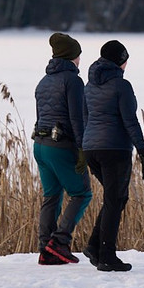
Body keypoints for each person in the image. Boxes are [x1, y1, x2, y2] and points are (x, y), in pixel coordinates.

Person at [81, 39, 144, 272]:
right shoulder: (122, 86)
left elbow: (85, 119)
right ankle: (107, 256)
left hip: (92, 149)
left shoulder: (88, 86)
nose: (126, 66)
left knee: (117, 198)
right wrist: (143, 151)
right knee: (115, 199)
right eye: (125, 61)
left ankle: (94, 246)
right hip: (115, 150)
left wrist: (84, 149)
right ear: (120, 61)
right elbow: (130, 121)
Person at [31, 31, 92, 265]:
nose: (80, 60)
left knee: (52, 195)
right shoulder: (73, 81)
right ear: (71, 57)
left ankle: (45, 247)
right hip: (61, 146)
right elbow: (77, 119)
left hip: (40, 146)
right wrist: (82, 150)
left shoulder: (43, 81)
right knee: (81, 193)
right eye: (78, 56)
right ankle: (60, 242)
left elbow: (40, 116)